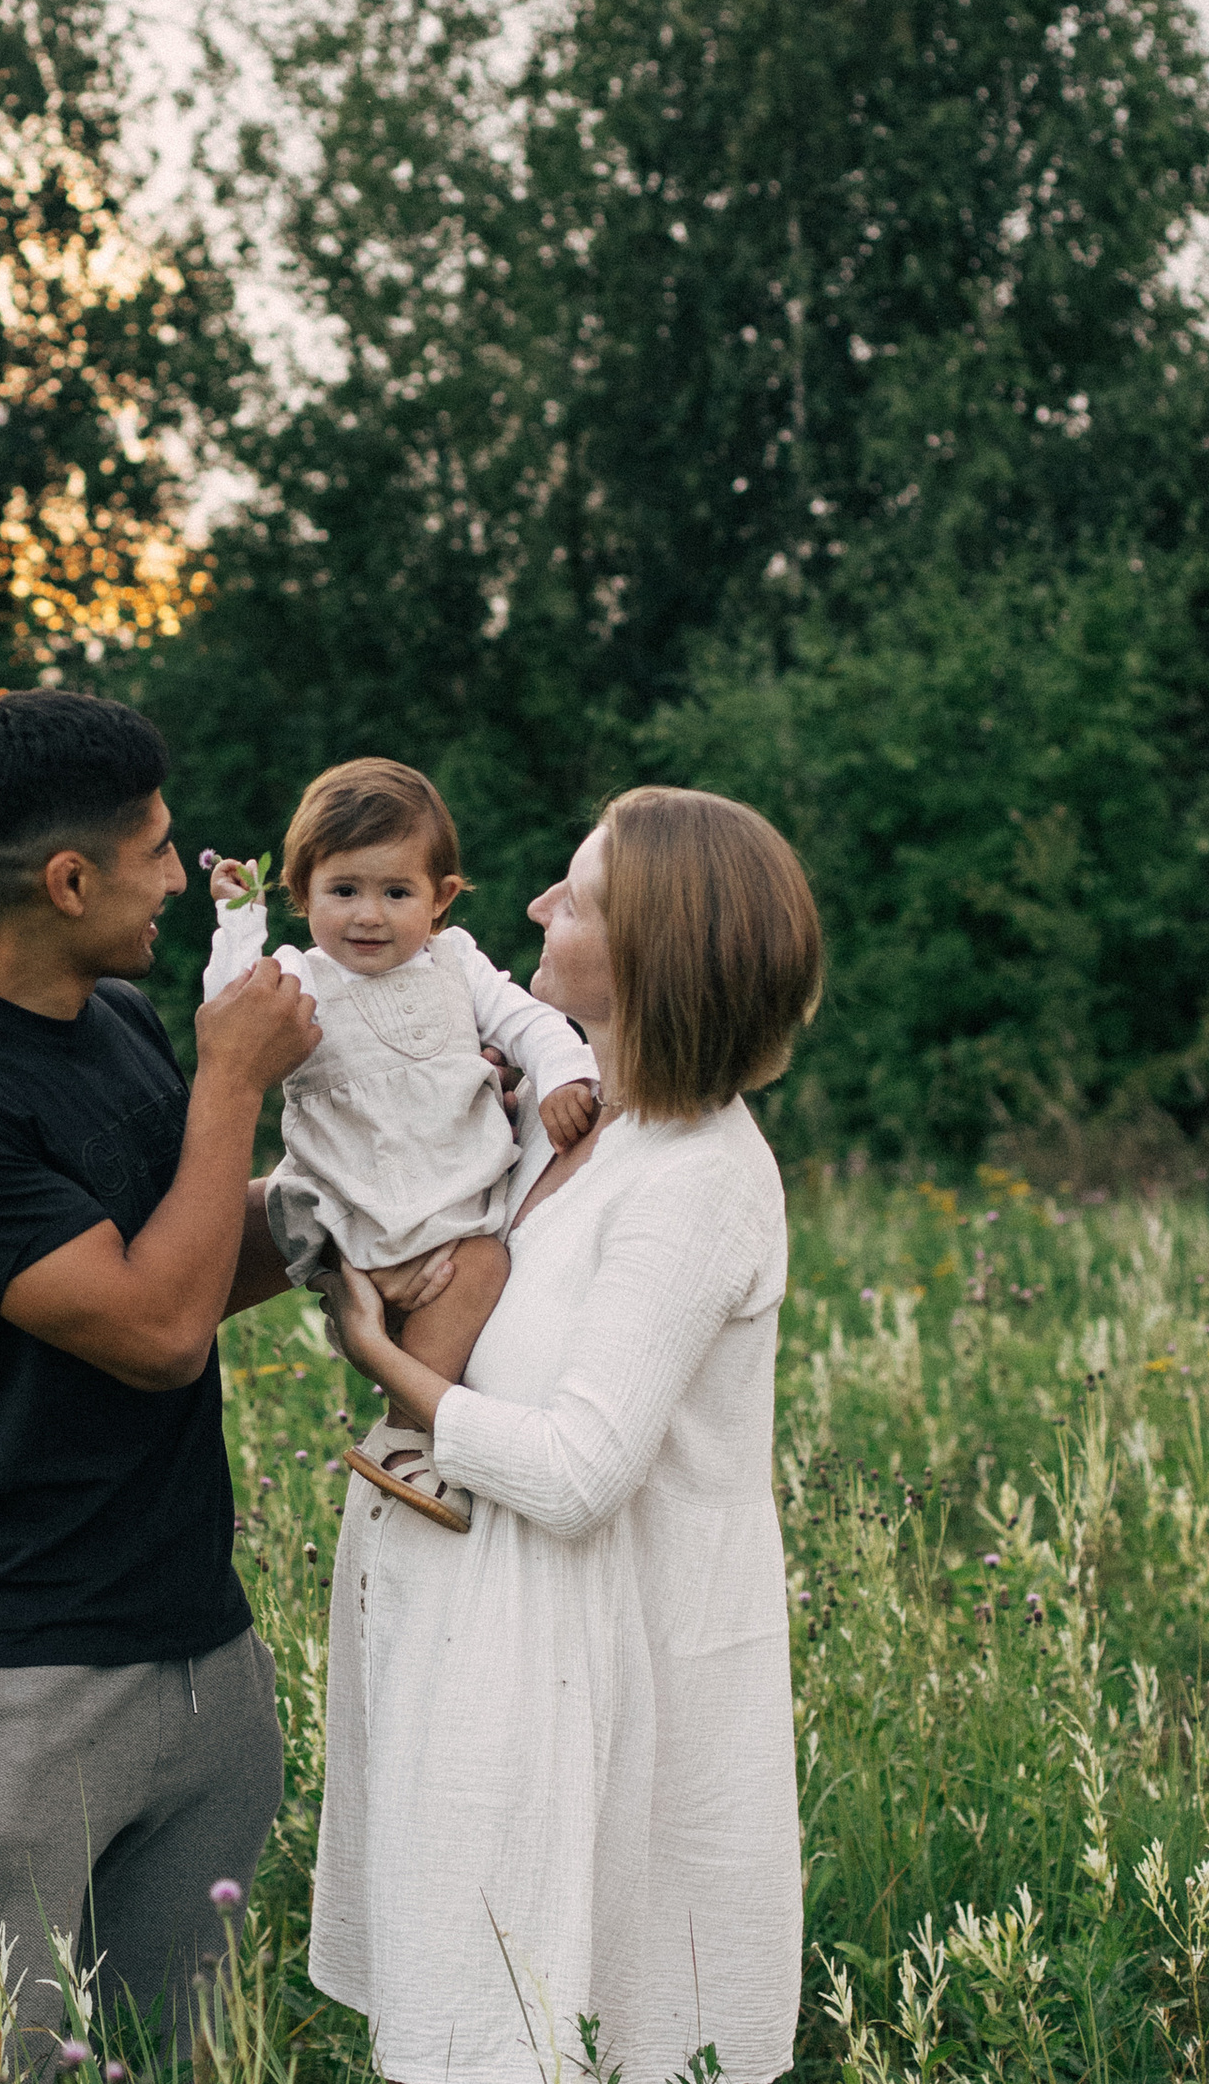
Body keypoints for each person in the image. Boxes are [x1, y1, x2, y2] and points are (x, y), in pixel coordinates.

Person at [0, 688, 327, 2078]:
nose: (179, 877)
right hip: (19, 1678)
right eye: (156, 850)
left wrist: (384, 1188)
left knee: (189, 2057)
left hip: (198, 1649)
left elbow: (191, 1258)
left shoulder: (113, 1018)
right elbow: (160, 1330)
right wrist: (231, 1080)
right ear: (68, 881)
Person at [309, 786, 822, 2084]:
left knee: (581, 2028)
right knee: (473, 2021)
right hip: (488, 1668)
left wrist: (381, 1362)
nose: (537, 903)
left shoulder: (699, 1175)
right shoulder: (578, 1128)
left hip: (604, 1691)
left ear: (653, 949)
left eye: (577, 897)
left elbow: (580, 1471)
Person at [202, 758, 600, 1530]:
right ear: (302, 892)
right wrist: (240, 923)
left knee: (484, 1267)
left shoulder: (457, 963)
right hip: (346, 1212)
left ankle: (407, 1432)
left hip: (449, 1213)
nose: (368, 916)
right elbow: (230, 1008)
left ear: (440, 897)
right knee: (346, 1244)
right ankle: (413, 1427)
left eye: (396, 893)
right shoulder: (300, 977)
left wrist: (562, 1075)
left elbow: (528, 1022)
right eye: (343, 891)